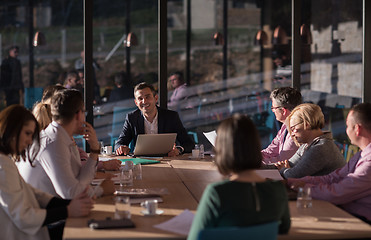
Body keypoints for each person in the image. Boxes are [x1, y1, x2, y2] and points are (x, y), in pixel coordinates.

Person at [187, 114, 290, 240]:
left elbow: (195, 237)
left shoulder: (217, 192)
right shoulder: (278, 189)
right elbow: (284, 228)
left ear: (222, 150)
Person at [0, 105, 93, 240]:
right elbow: (23, 217)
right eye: (27, 133)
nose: (29, 141)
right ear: (12, 129)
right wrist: (68, 210)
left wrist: (71, 204)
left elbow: (36, 195)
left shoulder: (5, 161)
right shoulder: (3, 166)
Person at [17, 89, 115, 199]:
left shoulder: (61, 137)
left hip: (55, 208)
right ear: (78, 115)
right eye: (84, 112)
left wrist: (94, 150)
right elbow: (70, 193)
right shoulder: (53, 142)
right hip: (45, 212)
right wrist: (101, 190)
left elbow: (80, 180)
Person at [287, 103, 371, 224]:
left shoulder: (368, 161)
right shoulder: (361, 155)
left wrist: (304, 188)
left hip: (361, 222)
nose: (346, 130)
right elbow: (334, 177)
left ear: (357, 129)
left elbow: (337, 193)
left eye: (347, 126)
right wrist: (294, 182)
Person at [31, 85, 121, 171]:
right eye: (83, 111)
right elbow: (74, 179)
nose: (84, 117)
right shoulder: (53, 140)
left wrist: (93, 152)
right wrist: (99, 160)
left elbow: (78, 160)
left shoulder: (57, 134)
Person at [115, 82, 194, 157]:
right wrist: (121, 148)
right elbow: (119, 143)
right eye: (140, 98)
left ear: (156, 98)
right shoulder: (132, 118)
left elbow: (189, 144)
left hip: (168, 160)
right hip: (142, 161)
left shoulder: (171, 117)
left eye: (147, 97)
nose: (144, 101)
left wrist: (178, 150)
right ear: (136, 103)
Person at [275, 103, 345, 179]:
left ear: (307, 124)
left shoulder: (320, 148)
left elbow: (292, 176)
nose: (292, 134)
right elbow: (289, 164)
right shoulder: (307, 145)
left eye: (293, 129)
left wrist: (284, 170)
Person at [261, 87, 302, 164]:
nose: (272, 111)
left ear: (283, 111)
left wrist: (254, 163)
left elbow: (284, 161)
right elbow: (271, 150)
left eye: (273, 108)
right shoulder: (285, 126)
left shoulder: (297, 131)